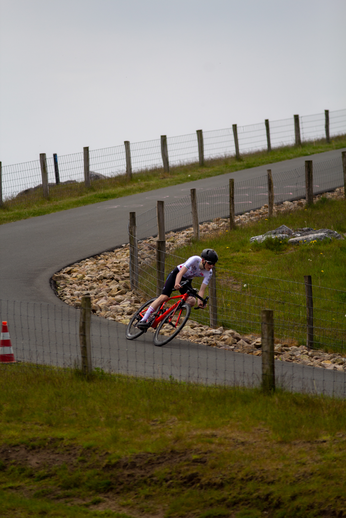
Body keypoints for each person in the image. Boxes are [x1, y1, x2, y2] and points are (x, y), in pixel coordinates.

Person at [137, 248, 218, 329]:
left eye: (213, 264)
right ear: (203, 260)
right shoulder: (195, 259)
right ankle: (144, 319)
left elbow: (202, 289)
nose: (211, 266)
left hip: (187, 280)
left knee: (192, 301)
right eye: (210, 263)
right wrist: (177, 283)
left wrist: (200, 301)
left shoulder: (209, 273)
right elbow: (180, 273)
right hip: (176, 274)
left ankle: (168, 311)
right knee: (164, 297)